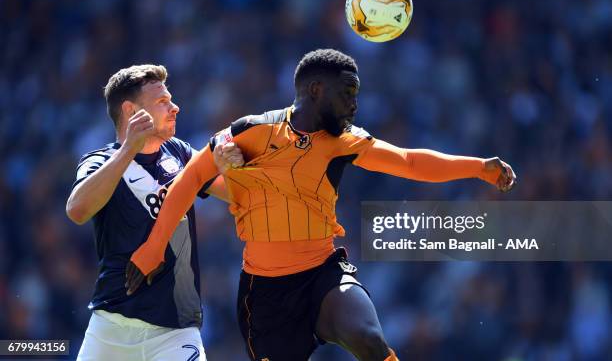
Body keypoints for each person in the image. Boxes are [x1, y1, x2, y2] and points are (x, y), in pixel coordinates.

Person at [126, 50, 516, 361]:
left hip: (322, 274)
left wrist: (478, 168)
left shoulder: (345, 141)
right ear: (315, 90)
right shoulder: (250, 131)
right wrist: (153, 247)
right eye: (347, 92)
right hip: (264, 295)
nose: (354, 104)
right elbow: (191, 179)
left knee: (368, 340)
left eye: (355, 94)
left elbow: (409, 161)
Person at [66, 64, 243, 361]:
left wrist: (234, 168)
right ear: (131, 110)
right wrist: (127, 152)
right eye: (162, 102)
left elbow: (237, 193)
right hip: (111, 328)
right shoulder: (101, 160)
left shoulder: (180, 153)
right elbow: (77, 210)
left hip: (177, 331)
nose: (175, 107)